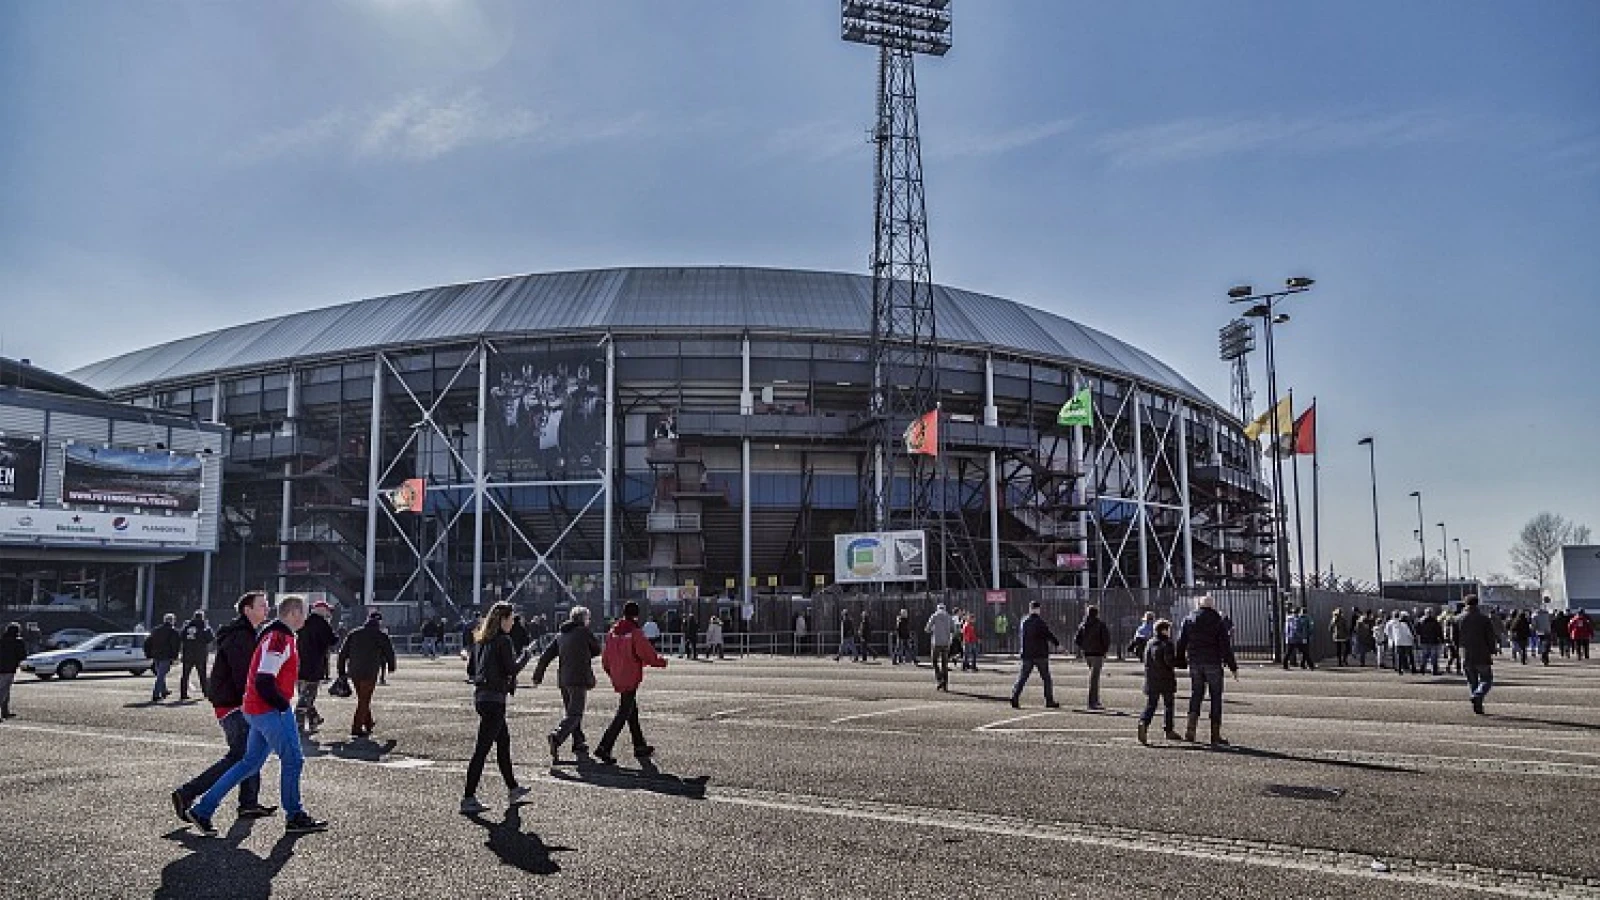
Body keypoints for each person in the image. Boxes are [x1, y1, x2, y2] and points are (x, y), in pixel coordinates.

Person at [185, 594, 328, 835]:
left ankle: (203, 809)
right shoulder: (279, 638)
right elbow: (264, 678)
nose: (306, 617)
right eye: (303, 612)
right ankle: (295, 815)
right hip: (268, 711)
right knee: (293, 760)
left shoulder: (273, 635)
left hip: (255, 709)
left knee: (249, 763)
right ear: (293, 613)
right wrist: (283, 707)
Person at [172, 592, 275, 825]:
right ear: (247, 610)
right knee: (240, 756)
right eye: (262, 605)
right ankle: (187, 793)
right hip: (234, 705)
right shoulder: (241, 636)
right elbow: (244, 675)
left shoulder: (247, 634)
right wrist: (258, 702)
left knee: (251, 753)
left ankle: (248, 803)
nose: (267, 609)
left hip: (235, 702)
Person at [461, 602, 536, 814]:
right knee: (482, 750)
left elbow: (471, 669)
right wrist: (526, 656)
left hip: (482, 697)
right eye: (511, 618)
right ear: (503, 619)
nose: (513, 622)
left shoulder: (481, 640)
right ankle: (468, 797)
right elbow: (511, 669)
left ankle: (513, 788)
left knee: (503, 743)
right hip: (495, 699)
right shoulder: (503, 641)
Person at [594, 601, 668, 766]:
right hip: (630, 675)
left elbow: (605, 658)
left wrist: (611, 672)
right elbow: (646, 653)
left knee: (631, 711)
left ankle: (639, 745)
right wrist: (661, 661)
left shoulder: (613, 632)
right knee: (623, 712)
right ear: (637, 615)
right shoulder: (635, 632)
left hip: (618, 674)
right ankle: (604, 746)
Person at [532, 605, 602, 763]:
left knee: (571, 712)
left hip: (563, 679)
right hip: (578, 678)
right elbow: (597, 649)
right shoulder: (583, 632)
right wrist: (585, 653)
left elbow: (545, 657)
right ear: (583, 619)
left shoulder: (560, 635)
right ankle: (556, 737)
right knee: (575, 714)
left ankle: (578, 742)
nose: (589, 621)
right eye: (588, 618)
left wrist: (538, 676)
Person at [1175, 594, 1238, 746]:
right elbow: (1225, 646)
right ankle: (1215, 735)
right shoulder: (1218, 621)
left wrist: (1181, 661)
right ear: (1212, 606)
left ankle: (1191, 730)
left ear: (1198, 605)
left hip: (1195, 661)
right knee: (1216, 697)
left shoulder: (1189, 620)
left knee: (1196, 694)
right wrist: (1233, 667)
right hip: (1213, 662)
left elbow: (1181, 642)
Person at [337, 612, 396, 739]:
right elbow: (389, 652)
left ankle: (368, 723)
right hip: (370, 672)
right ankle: (356, 728)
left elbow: (342, 653)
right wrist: (391, 666)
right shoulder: (380, 635)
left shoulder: (354, 633)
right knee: (364, 700)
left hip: (354, 671)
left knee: (362, 698)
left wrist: (341, 671)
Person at [295, 600, 338, 734]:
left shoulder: (302, 622)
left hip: (298, 665)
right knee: (307, 697)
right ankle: (298, 725)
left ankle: (314, 719)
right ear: (321, 610)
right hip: (313, 666)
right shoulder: (321, 623)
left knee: (304, 695)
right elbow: (332, 640)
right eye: (327, 610)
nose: (329, 613)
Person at [1009, 601, 1060, 710]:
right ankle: (1049, 700)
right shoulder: (1040, 622)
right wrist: (1057, 644)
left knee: (1022, 677)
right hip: (1040, 654)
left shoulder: (1024, 622)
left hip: (1027, 653)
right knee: (1046, 678)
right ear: (1038, 609)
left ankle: (1014, 696)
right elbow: (1048, 634)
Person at [1137, 619, 1179, 745]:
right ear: (1164, 630)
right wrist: (1179, 662)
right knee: (1169, 705)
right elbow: (1169, 661)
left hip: (1151, 678)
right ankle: (1169, 730)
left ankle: (1144, 722)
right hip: (1165, 678)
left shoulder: (1150, 643)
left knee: (1151, 704)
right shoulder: (1167, 643)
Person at [1454, 594, 1497, 714]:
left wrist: (1457, 650)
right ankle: (1478, 696)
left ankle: (1477, 704)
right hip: (1482, 653)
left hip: (1466, 654)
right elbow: (1490, 637)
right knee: (1487, 679)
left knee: (1472, 681)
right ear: (1477, 603)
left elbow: (1454, 638)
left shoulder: (1457, 619)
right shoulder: (1484, 619)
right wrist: (1492, 649)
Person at [1073, 605, 1111, 710]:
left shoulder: (1083, 625)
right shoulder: (1100, 625)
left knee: (1094, 677)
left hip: (1087, 653)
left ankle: (1095, 700)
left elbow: (1077, 639)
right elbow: (1106, 639)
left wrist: (1083, 647)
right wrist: (1104, 651)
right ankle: (1092, 701)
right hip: (1098, 654)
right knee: (1094, 678)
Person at [144, 613, 181, 702]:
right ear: (172, 621)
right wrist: (175, 656)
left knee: (160, 673)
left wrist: (148, 653)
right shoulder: (173, 631)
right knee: (161, 675)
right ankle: (156, 694)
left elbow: (148, 642)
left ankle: (164, 691)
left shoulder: (156, 630)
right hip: (166, 655)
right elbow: (175, 645)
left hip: (156, 654)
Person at [178, 610, 215, 701]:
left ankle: (183, 693)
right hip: (200, 654)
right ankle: (205, 692)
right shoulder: (204, 627)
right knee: (202, 674)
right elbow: (210, 638)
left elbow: (181, 637)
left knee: (185, 675)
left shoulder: (187, 627)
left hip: (188, 653)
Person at [925, 603, 953, 691]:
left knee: (934, 661)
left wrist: (933, 630)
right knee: (945, 664)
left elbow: (927, 628)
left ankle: (939, 678)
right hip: (946, 643)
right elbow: (954, 629)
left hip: (936, 642)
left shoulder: (934, 616)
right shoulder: (949, 617)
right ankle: (945, 684)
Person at [1, 622, 26, 719]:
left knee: (4, 691)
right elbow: (22, 656)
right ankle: (4, 711)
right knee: (4, 691)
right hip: (9, 669)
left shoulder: (2, 640)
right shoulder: (18, 641)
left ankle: (5, 711)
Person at [1415, 608, 1445, 676]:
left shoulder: (1421, 621)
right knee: (1434, 657)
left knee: (1424, 656)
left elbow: (1417, 631)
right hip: (1434, 641)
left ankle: (1422, 670)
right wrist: (1442, 640)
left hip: (1424, 641)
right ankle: (1434, 670)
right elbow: (1439, 631)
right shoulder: (1435, 621)